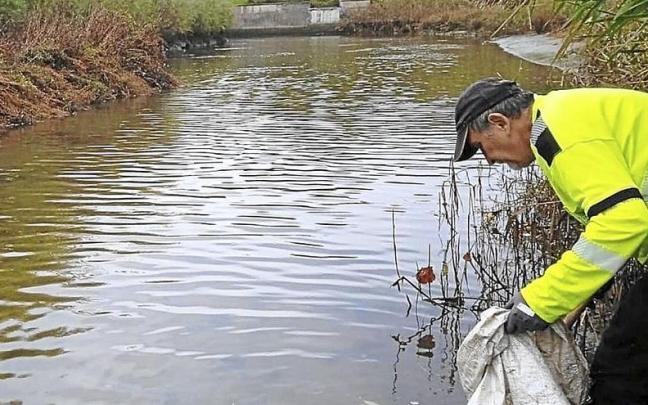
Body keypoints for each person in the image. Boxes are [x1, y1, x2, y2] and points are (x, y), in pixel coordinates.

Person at [452, 78, 648, 404]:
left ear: (500, 123)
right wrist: (597, 276)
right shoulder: (559, 117)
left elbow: (623, 219)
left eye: (481, 147)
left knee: (620, 375)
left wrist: (540, 300)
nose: (486, 160)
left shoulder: (560, 134)